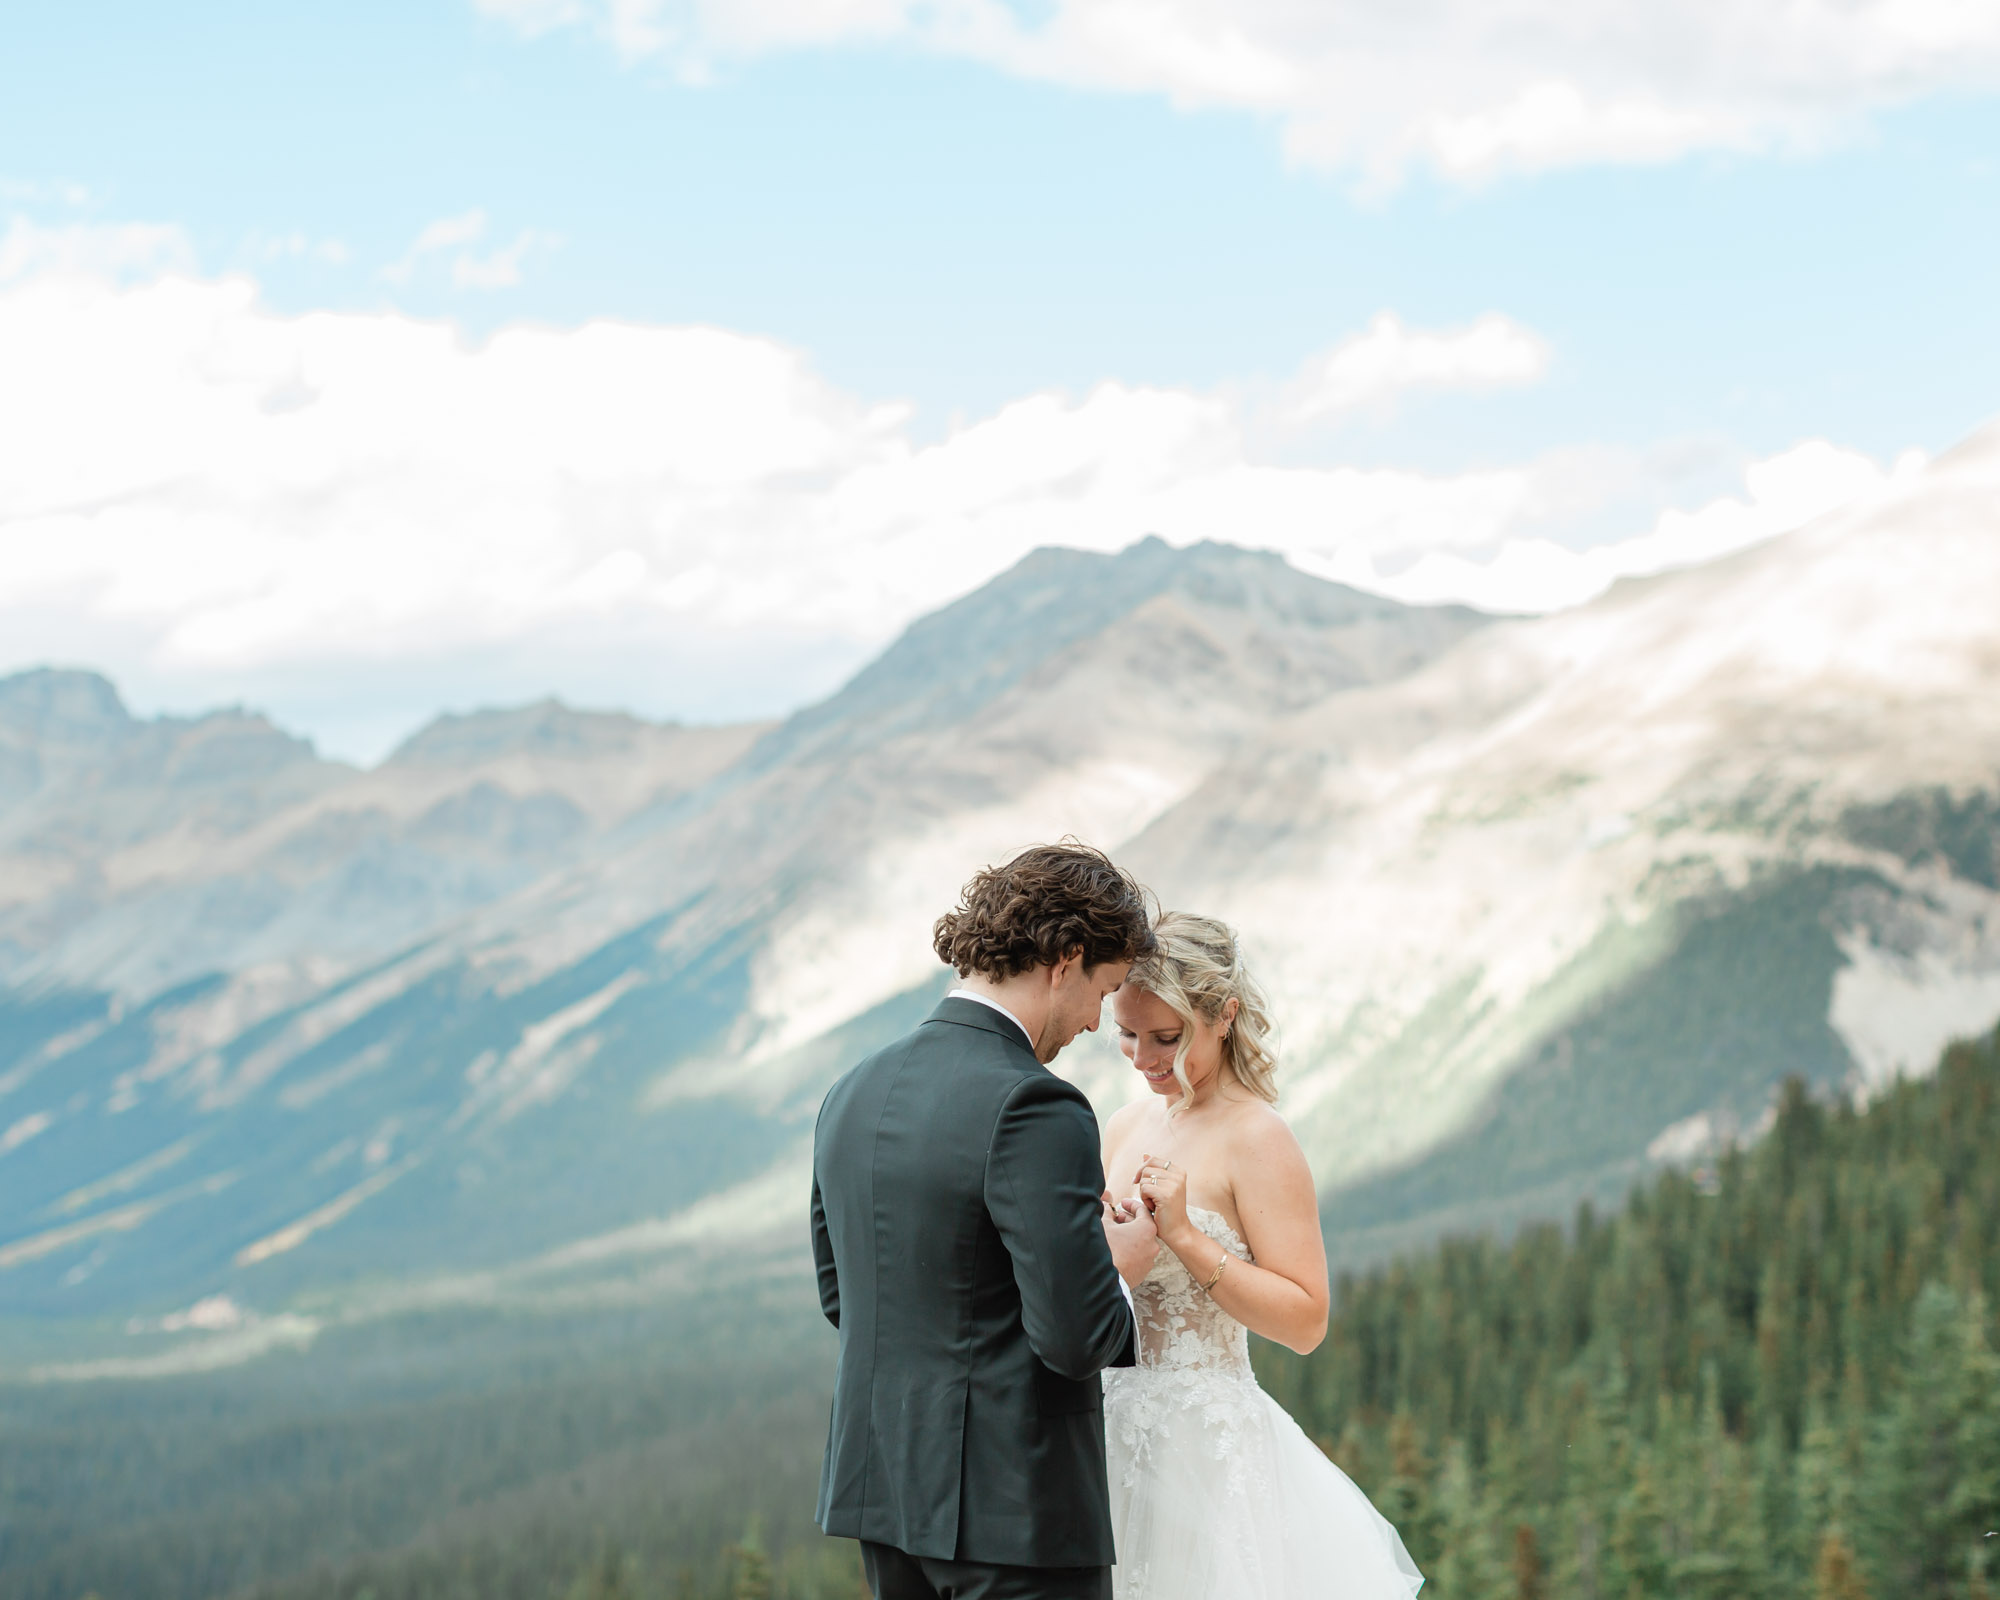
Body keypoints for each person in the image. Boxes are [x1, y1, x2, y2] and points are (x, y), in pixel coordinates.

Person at [811, 842, 1163, 1600]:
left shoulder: (851, 1091)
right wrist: (1120, 1269)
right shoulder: (1038, 1103)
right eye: (1103, 990)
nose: (1099, 1022)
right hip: (1017, 1517)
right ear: (1066, 958)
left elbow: (845, 1297)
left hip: (885, 1498)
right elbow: (1074, 1338)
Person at [1100, 912, 1424, 1600]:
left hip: (1206, 1449)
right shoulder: (1125, 1126)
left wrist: (1184, 1237)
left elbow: (1306, 1322)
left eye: (1167, 1037)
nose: (1143, 1058)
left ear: (1223, 1018)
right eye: (1126, 1034)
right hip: (1107, 1431)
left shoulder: (1258, 1137)